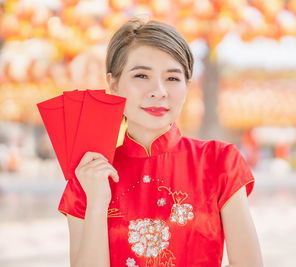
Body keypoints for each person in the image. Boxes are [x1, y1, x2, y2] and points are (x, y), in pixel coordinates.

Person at [58, 17, 263, 267]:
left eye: (172, 78)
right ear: (113, 84)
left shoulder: (220, 161)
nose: (158, 91)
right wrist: (97, 203)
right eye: (141, 75)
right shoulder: (89, 173)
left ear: (187, 86)